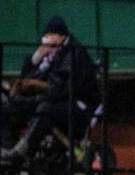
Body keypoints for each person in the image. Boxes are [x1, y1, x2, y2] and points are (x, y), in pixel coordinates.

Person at [1, 16, 99, 165]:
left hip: (78, 107)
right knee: (10, 107)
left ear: (61, 36)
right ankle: (6, 151)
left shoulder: (74, 53)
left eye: (50, 35)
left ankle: (21, 151)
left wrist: (35, 89)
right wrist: (35, 59)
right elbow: (27, 80)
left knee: (44, 109)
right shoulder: (50, 54)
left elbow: (62, 89)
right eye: (45, 36)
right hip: (54, 100)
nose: (46, 39)